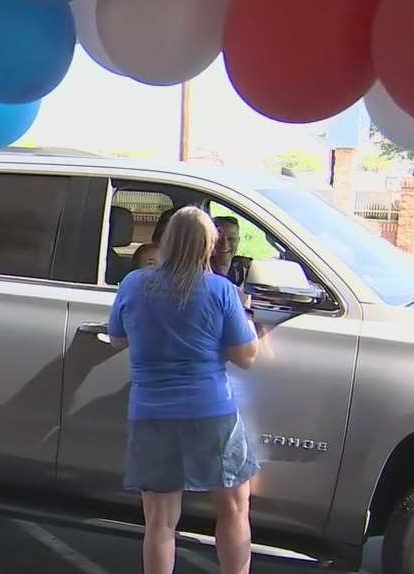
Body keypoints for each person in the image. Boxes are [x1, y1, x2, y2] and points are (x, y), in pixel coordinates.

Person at [108, 206, 260, 574]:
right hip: (211, 413)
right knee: (234, 509)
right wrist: (247, 316)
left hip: (151, 413)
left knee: (160, 523)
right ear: (209, 245)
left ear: (166, 242)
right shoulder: (221, 291)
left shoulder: (133, 284)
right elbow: (246, 357)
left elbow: (116, 340)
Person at [211, 216, 252, 287]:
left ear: (238, 241)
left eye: (231, 239)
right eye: (218, 239)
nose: (225, 244)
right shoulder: (201, 271)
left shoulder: (244, 268)